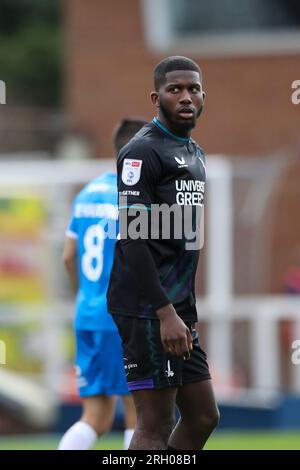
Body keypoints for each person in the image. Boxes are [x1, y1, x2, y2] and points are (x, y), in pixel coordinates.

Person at [107, 56, 220, 450]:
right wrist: (165, 312)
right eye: (176, 90)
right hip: (147, 308)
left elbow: (183, 237)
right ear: (157, 98)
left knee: (204, 416)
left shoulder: (195, 153)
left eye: (193, 89)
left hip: (177, 307)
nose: (186, 97)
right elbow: (133, 240)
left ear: (204, 95)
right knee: (154, 425)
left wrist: (183, 307)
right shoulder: (141, 154)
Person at [58, 118, 148, 450]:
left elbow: (68, 257)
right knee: (140, 415)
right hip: (123, 319)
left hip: (87, 316)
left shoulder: (86, 194)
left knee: (94, 418)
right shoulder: (135, 198)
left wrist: (86, 293)